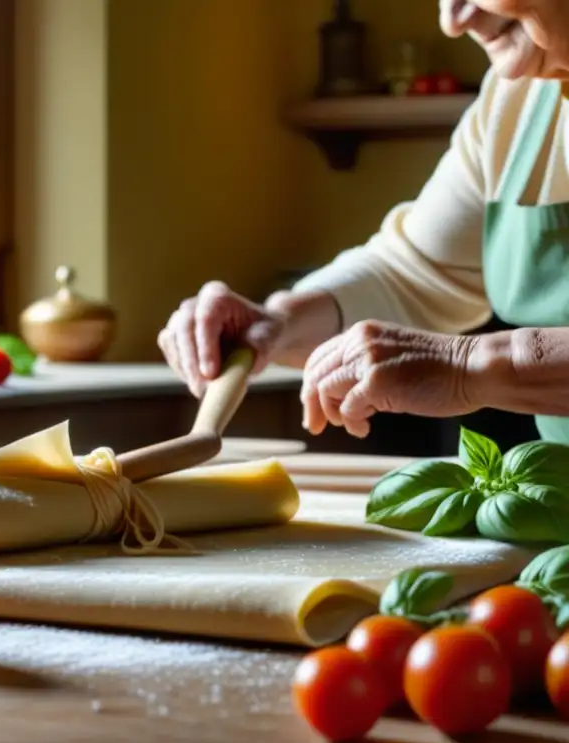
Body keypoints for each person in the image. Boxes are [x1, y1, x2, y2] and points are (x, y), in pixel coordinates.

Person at [158, 0, 569, 443]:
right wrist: (276, 323)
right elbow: (410, 275)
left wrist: (470, 366)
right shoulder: (517, 102)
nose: (454, 20)